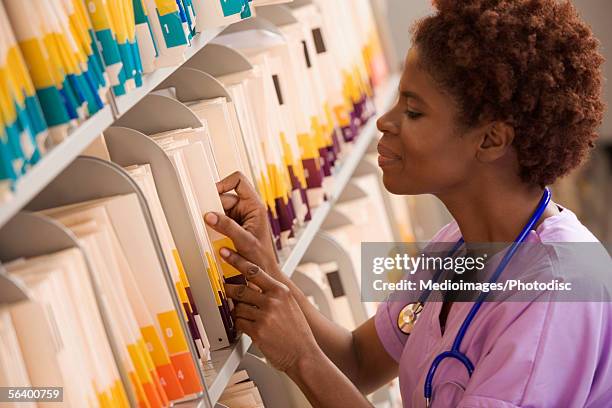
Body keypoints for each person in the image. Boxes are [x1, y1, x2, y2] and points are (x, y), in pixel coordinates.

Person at [203, 0, 612, 406]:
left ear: (490, 140)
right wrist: (268, 268)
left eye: (413, 111)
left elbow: (331, 365)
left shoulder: (558, 292)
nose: (385, 121)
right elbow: (358, 362)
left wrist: (300, 358)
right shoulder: (458, 246)